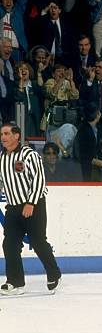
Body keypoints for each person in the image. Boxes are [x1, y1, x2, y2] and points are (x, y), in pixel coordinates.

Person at [0, 123, 61, 295]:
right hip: (12, 208)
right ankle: (15, 282)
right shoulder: (2, 158)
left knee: (38, 242)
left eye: (6, 133)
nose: (3, 137)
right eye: (1, 134)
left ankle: (54, 273)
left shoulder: (29, 155)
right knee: (10, 244)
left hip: (34, 205)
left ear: (16, 136)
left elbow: (39, 180)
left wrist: (30, 203)